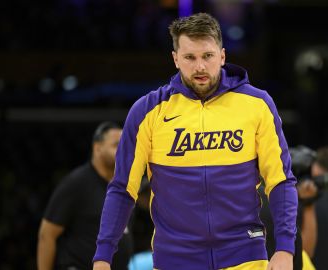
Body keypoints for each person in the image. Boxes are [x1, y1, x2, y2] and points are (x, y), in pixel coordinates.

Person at [93, 12, 298, 270]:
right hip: (175, 260)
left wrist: (285, 249)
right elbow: (123, 189)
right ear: (175, 59)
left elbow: (281, 181)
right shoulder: (147, 112)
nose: (200, 67)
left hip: (245, 257)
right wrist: (102, 256)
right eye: (190, 57)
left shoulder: (258, 105)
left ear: (222, 56)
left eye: (207, 56)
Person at [37, 122, 133, 270]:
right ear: (98, 148)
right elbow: (47, 234)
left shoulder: (124, 186)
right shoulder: (77, 183)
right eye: (116, 145)